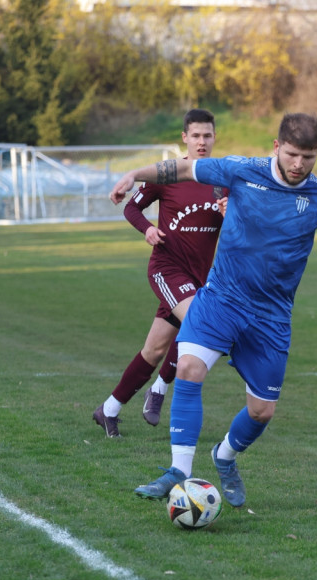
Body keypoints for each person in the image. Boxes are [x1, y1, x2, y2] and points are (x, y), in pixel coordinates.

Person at [109, 112, 317, 507]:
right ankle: (179, 472)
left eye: (308, 157)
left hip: (271, 317)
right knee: (188, 367)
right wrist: (134, 174)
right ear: (277, 147)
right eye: (292, 154)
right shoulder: (242, 170)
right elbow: (184, 167)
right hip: (221, 298)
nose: (298, 165)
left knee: (261, 412)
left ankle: (224, 456)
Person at [93, 109, 227, 437]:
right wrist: (148, 230)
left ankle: (108, 410)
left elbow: (238, 228)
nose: (201, 142)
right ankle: (159, 391)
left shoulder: (222, 180)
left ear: (214, 138)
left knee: (154, 351)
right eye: (195, 136)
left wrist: (231, 213)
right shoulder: (168, 175)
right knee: (202, 322)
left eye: (207, 136)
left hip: (199, 276)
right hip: (167, 268)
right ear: (184, 138)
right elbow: (131, 207)